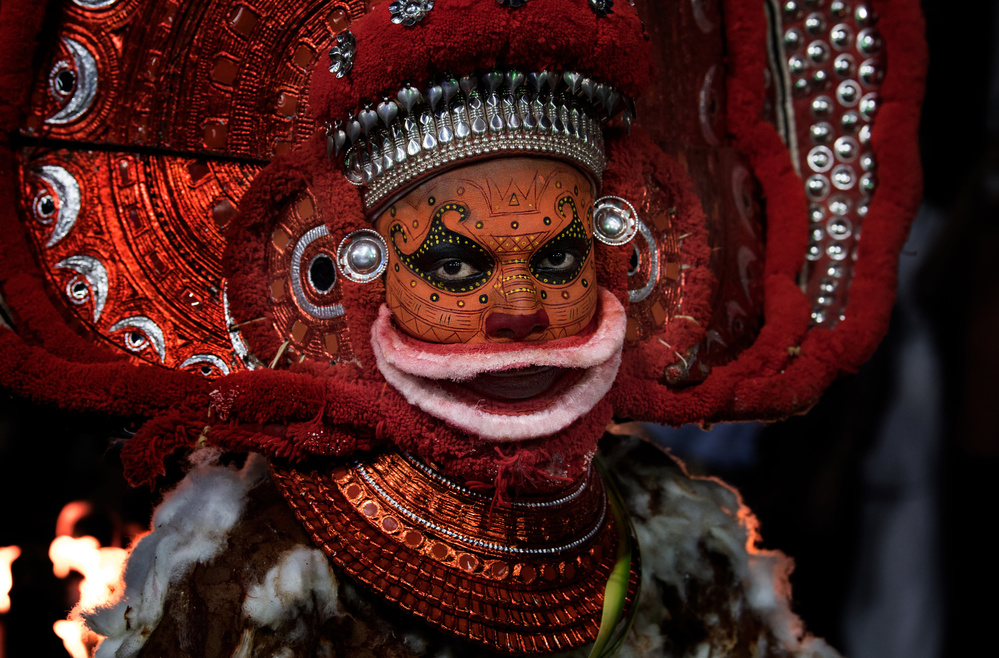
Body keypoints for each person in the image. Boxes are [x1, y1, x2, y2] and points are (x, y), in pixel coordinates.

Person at [0, 0, 926, 655]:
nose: (520, 312)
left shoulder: (676, 540)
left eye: (560, 260)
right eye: (453, 265)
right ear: (344, 280)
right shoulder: (260, 567)